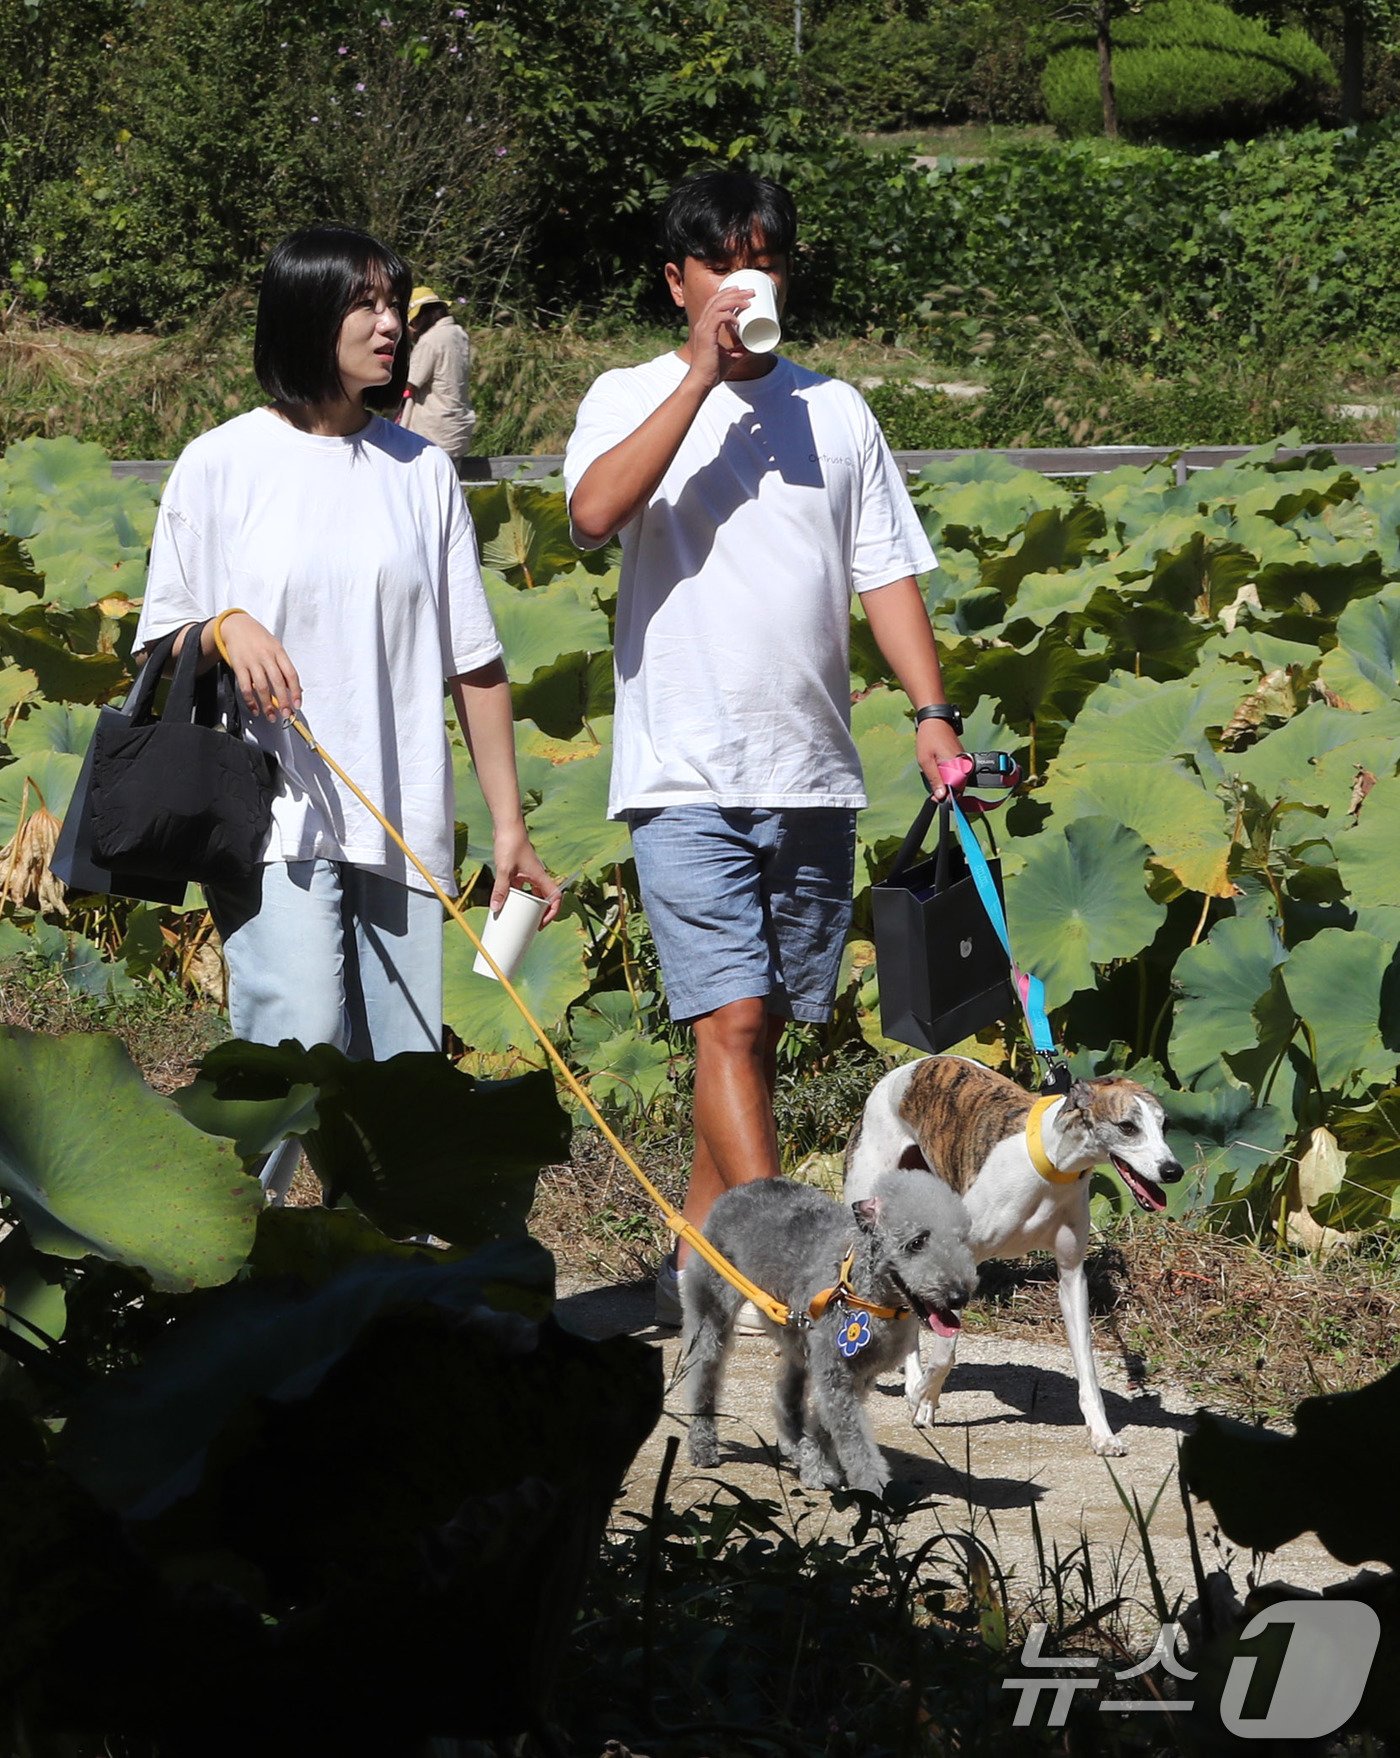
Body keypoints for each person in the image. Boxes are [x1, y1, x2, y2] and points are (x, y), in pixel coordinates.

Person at [564, 172, 964, 1325]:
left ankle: (686, 1284)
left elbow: (882, 572)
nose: (751, 282)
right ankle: (808, 1280)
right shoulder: (629, 392)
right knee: (729, 1024)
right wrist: (700, 372)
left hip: (813, 775)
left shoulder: (835, 410)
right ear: (677, 280)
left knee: (754, 1039)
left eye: (768, 261)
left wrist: (932, 716)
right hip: (683, 769)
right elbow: (592, 515)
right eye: (725, 264)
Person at [133, 223, 559, 1201]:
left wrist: (509, 830)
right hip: (271, 817)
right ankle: (241, 1262)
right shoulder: (221, 463)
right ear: (304, 315)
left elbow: (476, 664)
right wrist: (224, 626)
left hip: (400, 820)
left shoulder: (420, 474)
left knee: (394, 1082)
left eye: (393, 300)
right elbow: (160, 641)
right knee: (296, 1049)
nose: (389, 322)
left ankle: (384, 1295)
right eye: (364, 303)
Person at [401, 285, 476, 474]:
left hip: (432, 433)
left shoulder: (430, 341)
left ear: (419, 318)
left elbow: (411, 383)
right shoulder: (459, 334)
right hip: (455, 429)